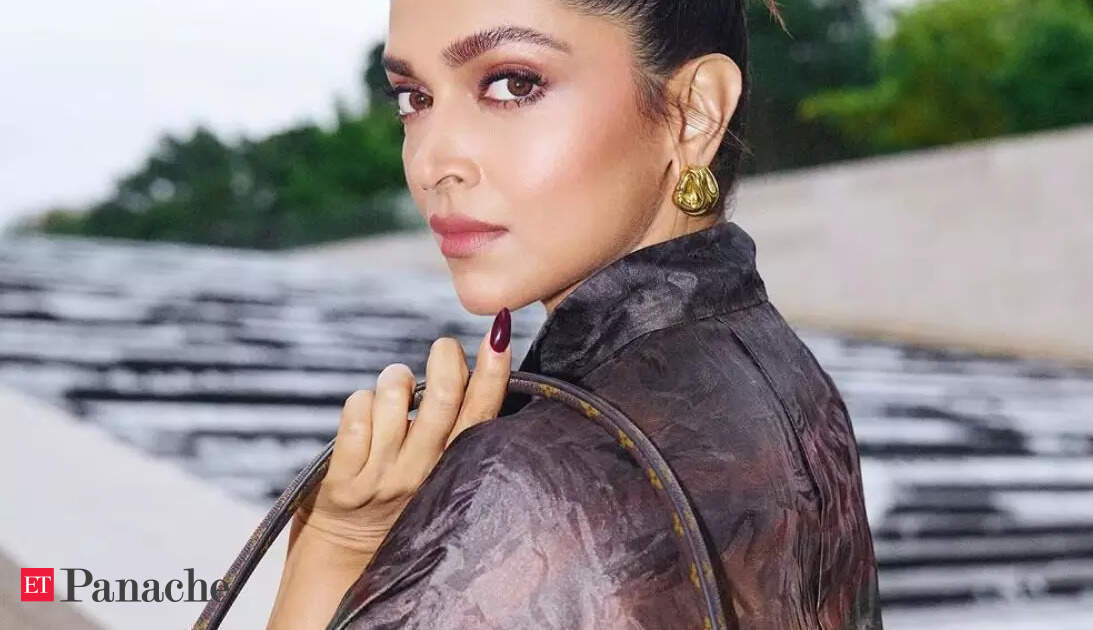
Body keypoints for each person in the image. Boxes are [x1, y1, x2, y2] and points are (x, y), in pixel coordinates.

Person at [267, 0, 882, 628]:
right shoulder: (788, 378)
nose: (431, 164)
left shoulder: (528, 486)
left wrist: (332, 551)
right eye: (413, 99)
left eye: (513, 84)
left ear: (694, 112)